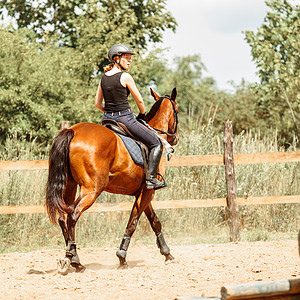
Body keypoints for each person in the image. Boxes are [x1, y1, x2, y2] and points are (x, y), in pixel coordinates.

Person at [95, 44, 165, 190]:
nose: (129, 60)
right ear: (116, 59)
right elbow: (139, 100)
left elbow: (97, 103)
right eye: (126, 57)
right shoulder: (125, 76)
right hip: (125, 119)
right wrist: (141, 114)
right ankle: (151, 179)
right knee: (156, 143)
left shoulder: (103, 78)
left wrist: (108, 112)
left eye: (130, 58)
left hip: (107, 120)